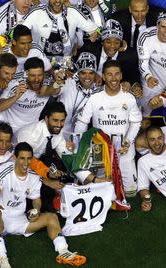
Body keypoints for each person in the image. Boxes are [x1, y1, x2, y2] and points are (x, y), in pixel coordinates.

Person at [0, 142, 86, 268]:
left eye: (29, 158)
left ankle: (63, 251)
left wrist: (36, 210)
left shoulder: (33, 175)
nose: (26, 163)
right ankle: (2, 259)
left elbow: (36, 199)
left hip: (18, 220)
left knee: (51, 217)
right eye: (22, 158)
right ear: (15, 158)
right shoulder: (4, 169)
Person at [75, 60, 142, 197]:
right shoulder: (94, 98)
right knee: (101, 191)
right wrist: (80, 147)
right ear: (103, 77)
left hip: (124, 149)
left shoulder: (129, 98)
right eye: (109, 75)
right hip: (101, 150)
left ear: (121, 75)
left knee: (130, 192)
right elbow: (81, 123)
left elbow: (136, 122)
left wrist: (128, 141)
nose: (114, 78)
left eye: (117, 74)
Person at [0, 57, 58, 133]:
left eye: (40, 75)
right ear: (26, 74)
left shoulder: (47, 84)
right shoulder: (15, 85)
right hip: (11, 130)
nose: (36, 79)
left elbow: (57, 90)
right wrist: (15, 97)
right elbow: (0, 107)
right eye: (32, 75)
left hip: (32, 132)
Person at [21, 0, 100, 58]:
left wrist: (96, 34)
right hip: (40, 64)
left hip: (66, 63)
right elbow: (15, 31)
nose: (57, 1)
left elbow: (96, 29)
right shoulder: (37, 12)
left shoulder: (73, 12)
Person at [76, 19, 141, 85]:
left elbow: (134, 76)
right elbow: (76, 66)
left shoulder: (129, 56)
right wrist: (93, 74)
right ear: (102, 42)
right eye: (108, 42)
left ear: (121, 43)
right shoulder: (90, 49)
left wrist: (133, 85)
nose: (112, 46)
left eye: (116, 42)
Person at [58, 52, 101, 139]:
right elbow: (51, 90)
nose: (87, 77)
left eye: (91, 73)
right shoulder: (68, 82)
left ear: (95, 74)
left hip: (79, 135)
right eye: (83, 73)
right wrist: (60, 75)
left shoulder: (98, 91)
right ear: (78, 73)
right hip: (58, 132)